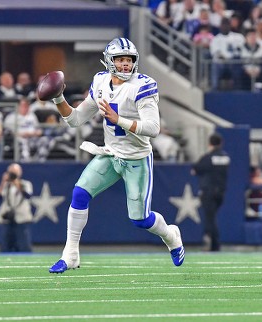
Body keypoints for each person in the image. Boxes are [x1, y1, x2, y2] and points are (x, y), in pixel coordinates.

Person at [48, 37, 185, 273]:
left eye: (128, 60)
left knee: (140, 219)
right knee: (79, 193)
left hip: (136, 159)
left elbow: (153, 129)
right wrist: (58, 98)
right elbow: (75, 119)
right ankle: (70, 254)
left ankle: (171, 235)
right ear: (109, 61)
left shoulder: (142, 85)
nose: (125, 65)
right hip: (111, 154)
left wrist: (118, 119)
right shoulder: (100, 81)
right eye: (120, 59)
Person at [191, 132, 230, 252]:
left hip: (208, 192)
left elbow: (195, 169)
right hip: (221, 192)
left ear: (210, 143)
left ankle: (214, 244)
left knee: (210, 219)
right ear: (221, 143)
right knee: (213, 218)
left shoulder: (208, 157)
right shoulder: (225, 157)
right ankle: (214, 243)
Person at [0, 163, 33, 252]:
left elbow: (28, 195)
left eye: (15, 172)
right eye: (11, 172)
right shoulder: (6, 185)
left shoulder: (26, 183)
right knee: (5, 247)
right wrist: (3, 181)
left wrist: (17, 183)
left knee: (24, 247)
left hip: (22, 218)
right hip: (7, 218)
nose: (12, 175)